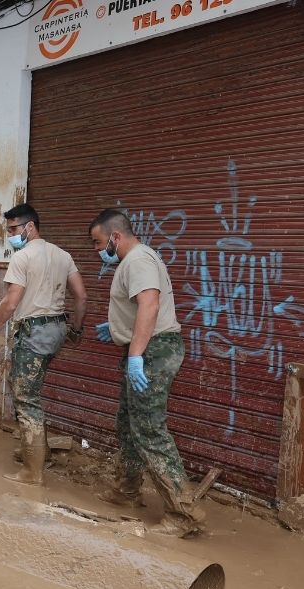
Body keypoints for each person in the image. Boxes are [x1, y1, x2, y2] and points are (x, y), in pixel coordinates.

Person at [89, 208, 204, 537]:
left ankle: (184, 513)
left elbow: (150, 304)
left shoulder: (137, 259)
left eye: (99, 242)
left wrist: (137, 354)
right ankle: (127, 490)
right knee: (128, 423)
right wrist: (117, 328)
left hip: (153, 351)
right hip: (145, 348)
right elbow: (138, 306)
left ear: (115, 237)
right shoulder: (135, 260)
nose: (98, 250)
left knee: (149, 429)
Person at [0, 203, 87, 486]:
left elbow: (10, 302)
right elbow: (81, 297)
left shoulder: (23, 257)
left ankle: (32, 472)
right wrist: (76, 329)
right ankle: (40, 452)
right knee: (33, 390)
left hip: (34, 333)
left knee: (27, 400)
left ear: (30, 226)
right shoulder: (63, 255)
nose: (11, 235)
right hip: (57, 331)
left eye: (14, 229)